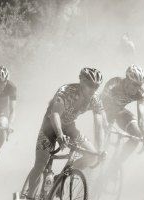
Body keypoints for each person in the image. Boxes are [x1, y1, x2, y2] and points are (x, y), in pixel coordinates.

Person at [25, 67, 106, 199]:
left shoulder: (95, 98)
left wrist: (100, 149)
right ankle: (30, 196)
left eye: (96, 86)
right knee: (41, 163)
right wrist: (59, 134)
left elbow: (99, 125)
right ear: (81, 81)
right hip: (50, 126)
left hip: (69, 127)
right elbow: (55, 113)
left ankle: (60, 179)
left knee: (92, 156)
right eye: (90, 85)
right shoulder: (66, 91)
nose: (93, 89)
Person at [101, 64, 144, 166]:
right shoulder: (114, 84)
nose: (137, 88)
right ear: (127, 79)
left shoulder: (140, 93)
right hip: (102, 111)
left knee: (137, 135)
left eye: (140, 85)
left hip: (119, 112)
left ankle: (114, 165)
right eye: (135, 84)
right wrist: (106, 122)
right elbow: (100, 104)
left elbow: (141, 116)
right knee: (99, 146)